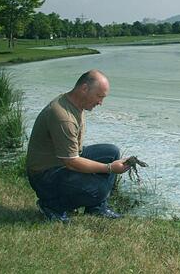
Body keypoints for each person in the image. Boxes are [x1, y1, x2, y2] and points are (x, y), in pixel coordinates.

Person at [26, 69, 130, 222]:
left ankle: (97, 208)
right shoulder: (63, 117)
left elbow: (72, 157)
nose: (100, 103)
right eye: (99, 96)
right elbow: (71, 162)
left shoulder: (73, 102)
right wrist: (109, 168)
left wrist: (108, 164)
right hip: (45, 176)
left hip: (61, 161)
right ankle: (52, 205)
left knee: (112, 152)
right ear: (84, 89)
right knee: (99, 190)